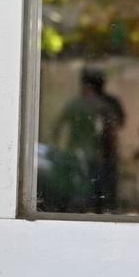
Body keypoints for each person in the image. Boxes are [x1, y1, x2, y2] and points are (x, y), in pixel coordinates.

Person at [52, 68, 124, 213]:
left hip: (73, 153)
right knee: (93, 192)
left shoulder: (73, 104)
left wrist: (57, 148)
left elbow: (57, 128)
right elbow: (110, 130)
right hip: (93, 155)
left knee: (74, 190)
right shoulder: (101, 106)